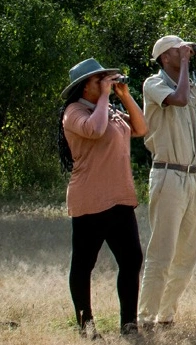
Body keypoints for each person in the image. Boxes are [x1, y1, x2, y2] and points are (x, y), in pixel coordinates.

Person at [135, 35, 196, 329]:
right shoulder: (153, 84)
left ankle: (165, 314)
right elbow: (176, 100)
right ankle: (144, 317)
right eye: (180, 50)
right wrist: (186, 66)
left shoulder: (190, 86)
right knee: (162, 252)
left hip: (192, 176)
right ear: (165, 57)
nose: (187, 52)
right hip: (167, 173)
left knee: (187, 255)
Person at [59, 57, 149, 339]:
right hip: (90, 199)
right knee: (84, 264)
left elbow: (141, 128)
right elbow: (95, 130)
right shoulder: (73, 112)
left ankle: (129, 323)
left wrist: (124, 95)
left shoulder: (108, 108)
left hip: (120, 198)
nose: (107, 83)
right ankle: (86, 326)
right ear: (86, 86)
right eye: (101, 80)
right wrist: (106, 99)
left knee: (132, 259)